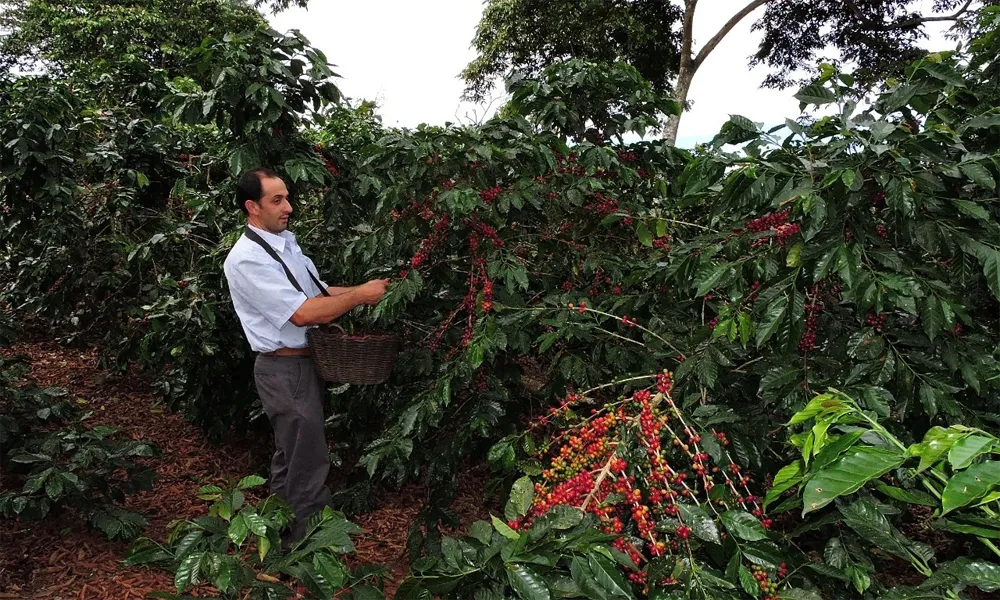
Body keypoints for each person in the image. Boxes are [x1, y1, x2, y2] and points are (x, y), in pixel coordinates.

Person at [223, 167, 388, 544]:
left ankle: (281, 536)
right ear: (252, 207)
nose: (288, 207)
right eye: (276, 200)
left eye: (287, 197)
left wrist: (367, 288)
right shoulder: (248, 259)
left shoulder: (284, 242)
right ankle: (310, 550)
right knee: (308, 461)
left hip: (302, 364)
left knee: (292, 454)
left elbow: (320, 292)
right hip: (283, 369)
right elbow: (302, 313)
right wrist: (361, 296)